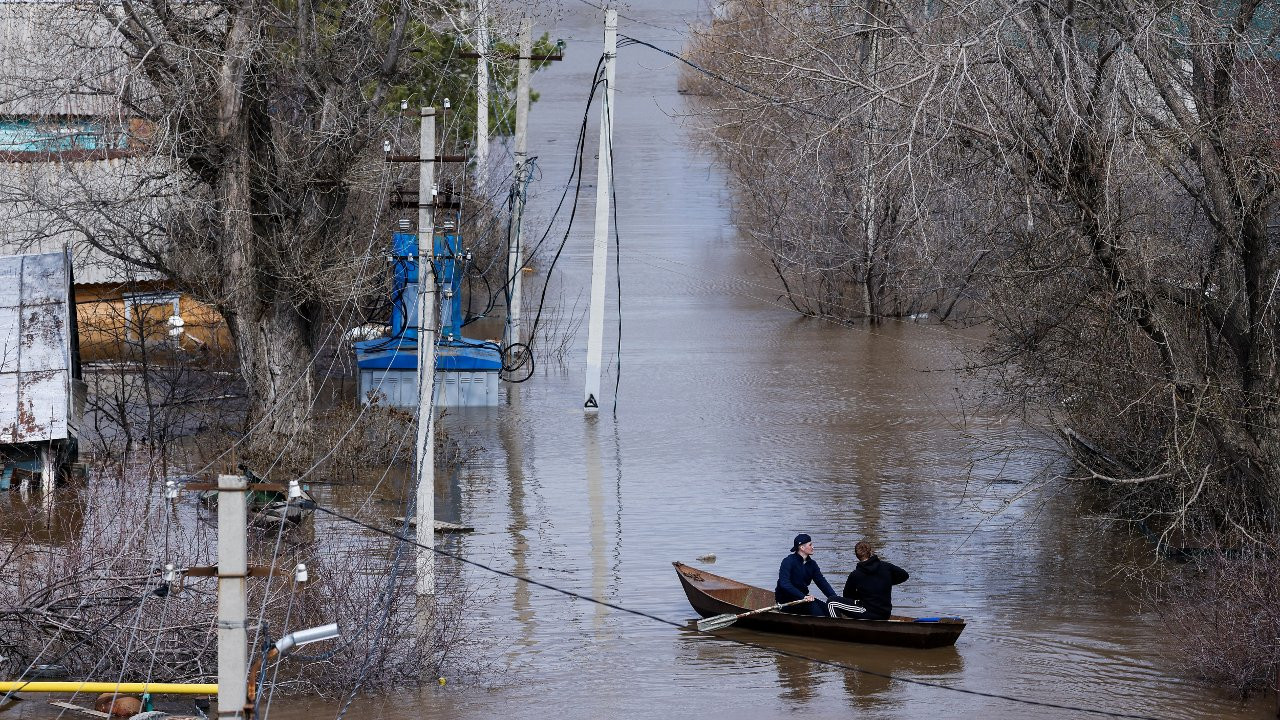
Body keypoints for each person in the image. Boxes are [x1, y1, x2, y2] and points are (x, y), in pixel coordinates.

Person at [842, 541, 909, 620]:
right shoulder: (886, 566)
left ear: (857, 556)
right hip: (885, 613)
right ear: (871, 552)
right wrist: (887, 582)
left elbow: (847, 595)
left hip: (868, 612)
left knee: (832, 601)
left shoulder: (855, 574)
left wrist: (860, 596)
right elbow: (904, 575)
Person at [775, 533, 838, 616]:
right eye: (810, 545)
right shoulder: (788, 561)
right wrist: (803, 596)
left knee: (830, 609)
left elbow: (822, 583)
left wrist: (835, 599)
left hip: (803, 599)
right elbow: (784, 584)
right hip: (786, 601)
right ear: (802, 547)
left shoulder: (812, 564)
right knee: (814, 608)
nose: (813, 547)